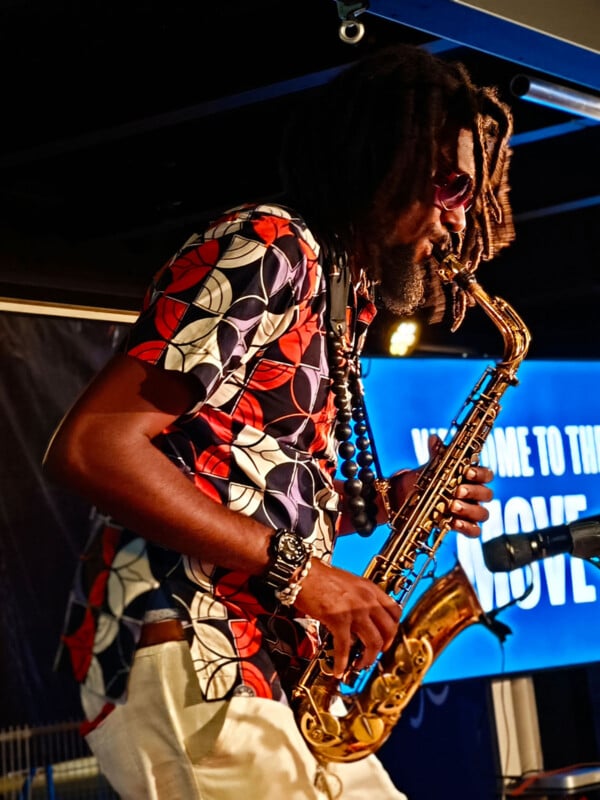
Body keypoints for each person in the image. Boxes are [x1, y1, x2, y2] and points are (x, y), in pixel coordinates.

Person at [44, 42, 515, 800]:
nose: (460, 224)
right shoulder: (270, 245)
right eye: (453, 186)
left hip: (265, 657)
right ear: (384, 159)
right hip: (191, 639)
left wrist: (393, 501)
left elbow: (234, 472)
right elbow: (95, 448)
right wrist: (303, 573)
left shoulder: (339, 290)